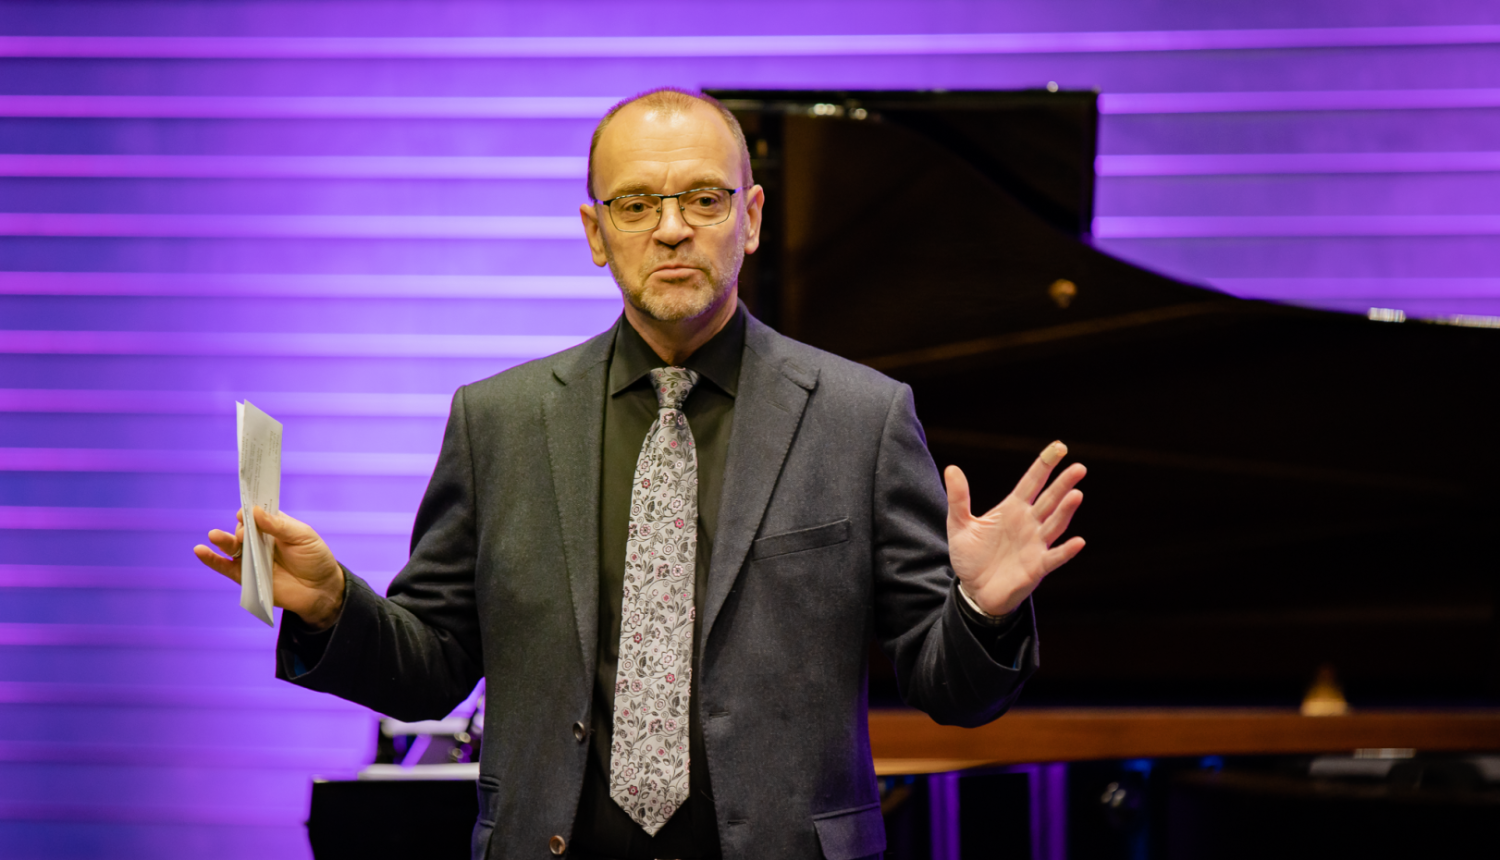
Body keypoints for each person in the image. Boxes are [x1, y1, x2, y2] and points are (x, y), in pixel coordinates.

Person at [193, 87, 1086, 860]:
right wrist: (331, 605)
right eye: (635, 204)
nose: (671, 228)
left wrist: (982, 610)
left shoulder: (859, 419)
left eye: (703, 198)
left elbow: (949, 690)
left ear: (752, 217)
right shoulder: (499, 421)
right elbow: (430, 668)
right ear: (595, 231)